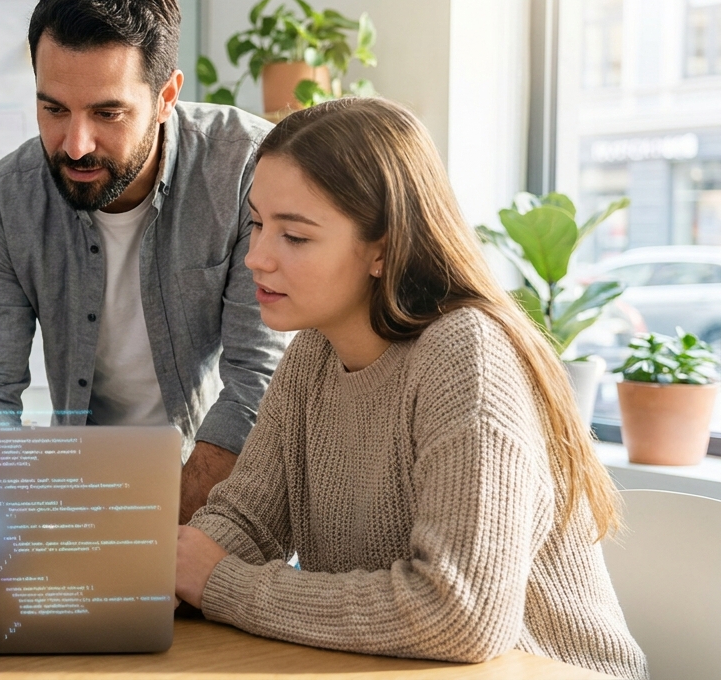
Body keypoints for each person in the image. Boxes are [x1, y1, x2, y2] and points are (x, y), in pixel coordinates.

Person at [175, 98, 646, 679]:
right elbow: (246, 522)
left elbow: (461, 613)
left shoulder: (467, 360)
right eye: (256, 223)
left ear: (382, 247)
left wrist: (222, 584)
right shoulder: (312, 357)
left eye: (294, 236)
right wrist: (166, 575)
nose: (256, 257)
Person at [0, 0, 287, 523]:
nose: (76, 145)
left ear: (165, 96)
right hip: (85, 503)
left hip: (229, 506)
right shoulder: (5, 200)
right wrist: (16, 517)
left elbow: (259, 383)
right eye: (53, 109)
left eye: (108, 113)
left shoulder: (248, 168)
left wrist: (151, 540)